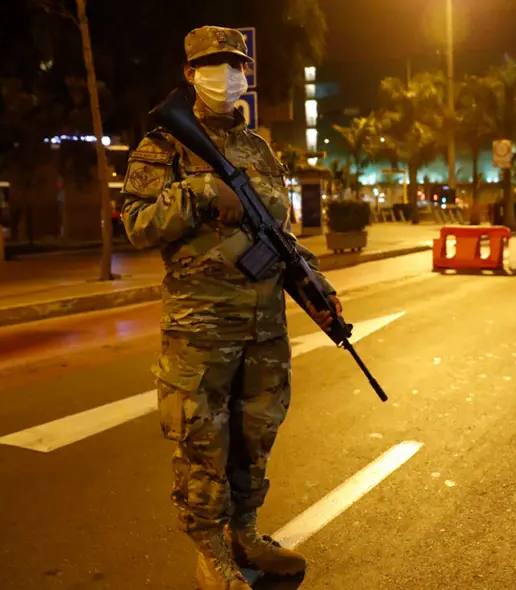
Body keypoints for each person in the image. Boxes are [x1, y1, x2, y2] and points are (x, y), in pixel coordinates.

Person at [120, 26, 340, 590]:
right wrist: (194, 194)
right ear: (190, 74)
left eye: (236, 64)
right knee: (203, 443)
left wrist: (317, 286)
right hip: (201, 328)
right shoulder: (163, 145)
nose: (229, 75)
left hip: (264, 327)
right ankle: (211, 549)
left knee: (254, 435)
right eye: (215, 65)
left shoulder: (259, 150)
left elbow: (280, 237)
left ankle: (245, 532)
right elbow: (137, 226)